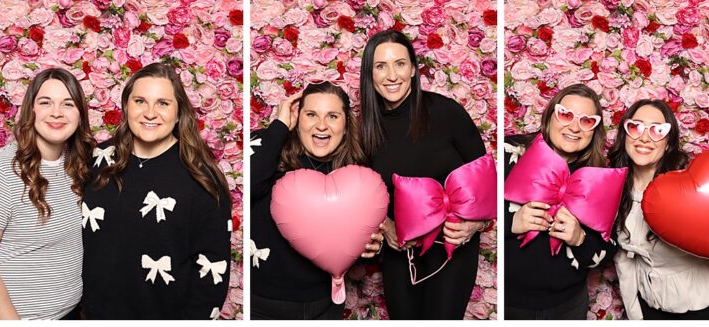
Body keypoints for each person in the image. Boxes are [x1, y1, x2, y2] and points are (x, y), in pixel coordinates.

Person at [359, 30, 490, 319]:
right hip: (400, 253)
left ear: (414, 69)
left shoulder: (446, 113)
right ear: (370, 74)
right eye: (380, 66)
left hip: (451, 251)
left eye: (400, 64)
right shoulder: (365, 129)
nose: (392, 75)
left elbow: (486, 182)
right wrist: (385, 224)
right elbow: (362, 192)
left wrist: (475, 225)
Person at [82, 63, 230, 319]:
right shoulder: (99, 159)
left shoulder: (201, 178)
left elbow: (212, 271)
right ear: (126, 106)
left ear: (178, 112)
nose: (150, 113)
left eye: (162, 103)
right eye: (140, 101)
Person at [249, 82, 383, 319]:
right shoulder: (269, 147)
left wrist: (373, 247)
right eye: (311, 114)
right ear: (297, 118)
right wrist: (279, 128)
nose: (321, 125)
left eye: (332, 116)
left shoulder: (356, 172)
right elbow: (248, 183)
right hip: (263, 304)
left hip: (325, 305)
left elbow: (354, 236)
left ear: (346, 124)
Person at [608, 99, 709, 319]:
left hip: (707, 307)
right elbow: (624, 260)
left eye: (657, 130)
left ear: (668, 142)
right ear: (625, 134)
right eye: (636, 127)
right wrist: (635, 315)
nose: (645, 137)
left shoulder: (693, 187)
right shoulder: (614, 186)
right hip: (651, 307)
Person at [503, 84, 618, 319]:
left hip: (567, 305)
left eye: (586, 121)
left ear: (595, 129)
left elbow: (609, 249)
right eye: (566, 115)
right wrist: (511, 221)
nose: (574, 127)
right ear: (551, 116)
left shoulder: (599, 177)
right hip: (508, 302)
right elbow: (474, 215)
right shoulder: (512, 152)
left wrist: (580, 239)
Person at [0, 68, 95, 320]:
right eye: (45, 102)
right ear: (31, 110)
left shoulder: (79, 164)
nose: (57, 113)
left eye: (68, 104)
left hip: (72, 313)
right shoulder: (6, 169)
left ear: (80, 114)